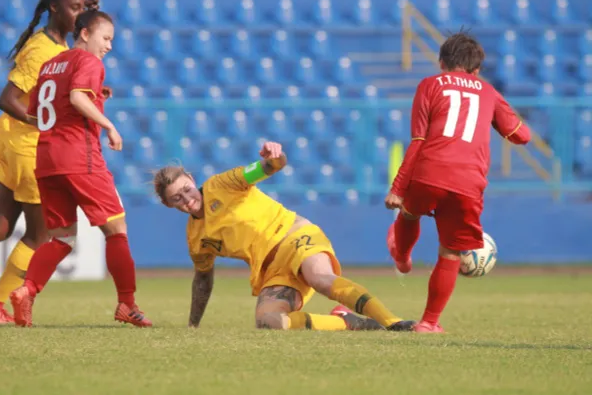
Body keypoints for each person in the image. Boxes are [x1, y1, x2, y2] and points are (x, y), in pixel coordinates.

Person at [0, 0, 100, 324]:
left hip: (17, 144)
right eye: (73, 8)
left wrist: (87, 13)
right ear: (54, 8)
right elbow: (8, 99)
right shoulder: (41, 50)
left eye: (83, 8)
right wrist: (44, 120)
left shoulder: (58, 46)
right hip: (29, 149)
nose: (79, 14)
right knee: (40, 235)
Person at [153, 142, 415, 332]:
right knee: (269, 323)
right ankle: (347, 322)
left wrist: (274, 157)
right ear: (168, 205)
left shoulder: (221, 184)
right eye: (177, 198)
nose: (187, 199)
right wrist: (192, 325)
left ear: (191, 178)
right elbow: (203, 280)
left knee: (320, 278)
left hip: (294, 235)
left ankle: (393, 322)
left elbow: (268, 167)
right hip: (271, 271)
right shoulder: (196, 239)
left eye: (187, 189)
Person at [9, 9, 151, 328]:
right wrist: (109, 125)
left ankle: (26, 290)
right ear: (85, 34)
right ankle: (127, 304)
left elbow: (41, 111)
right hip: (79, 158)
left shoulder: (48, 66)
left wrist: (97, 97)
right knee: (116, 230)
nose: (109, 46)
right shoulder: (89, 62)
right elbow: (75, 97)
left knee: (61, 239)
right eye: (106, 38)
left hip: (46, 160)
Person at [384, 32, 531, 333]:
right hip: (469, 180)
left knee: (410, 213)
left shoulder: (429, 85)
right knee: (450, 251)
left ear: (441, 62)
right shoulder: (489, 92)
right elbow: (522, 136)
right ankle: (428, 323)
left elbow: (418, 140)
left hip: (429, 171)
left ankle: (401, 258)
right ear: (476, 69)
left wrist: (398, 188)